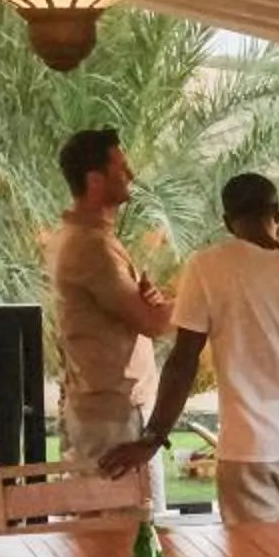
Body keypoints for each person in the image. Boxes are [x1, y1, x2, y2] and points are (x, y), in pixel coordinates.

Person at [106, 173, 279, 523]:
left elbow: (182, 362)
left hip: (247, 448)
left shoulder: (208, 266)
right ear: (276, 211)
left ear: (227, 222)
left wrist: (153, 437)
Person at [43, 128, 171, 502]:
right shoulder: (91, 245)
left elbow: (133, 311)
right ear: (95, 180)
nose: (130, 175)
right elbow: (153, 323)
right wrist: (197, 298)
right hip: (112, 418)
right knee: (123, 536)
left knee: (111, 534)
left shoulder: (84, 237)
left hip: (104, 408)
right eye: (121, 168)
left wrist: (151, 302)